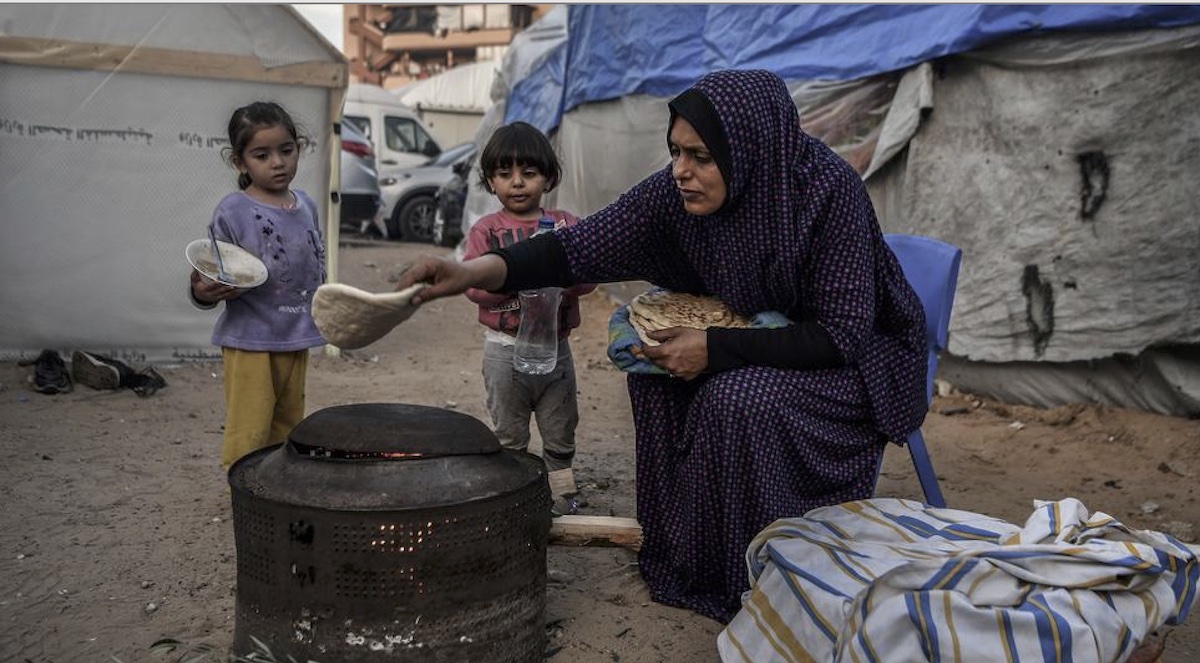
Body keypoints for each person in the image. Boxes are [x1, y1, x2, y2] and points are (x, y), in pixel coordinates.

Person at [394, 69, 928, 623]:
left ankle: (762, 571)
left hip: (856, 361)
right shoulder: (671, 198)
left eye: (700, 156)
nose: (681, 171)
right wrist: (469, 271)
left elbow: (842, 333)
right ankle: (690, 558)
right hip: (756, 337)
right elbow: (576, 247)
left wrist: (714, 350)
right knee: (656, 375)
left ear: (745, 149)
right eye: (674, 151)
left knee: (735, 397)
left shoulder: (825, 192)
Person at [462, 121, 597, 514]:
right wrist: (513, 280)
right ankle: (514, 501)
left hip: (556, 350)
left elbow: (589, 274)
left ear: (549, 177)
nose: (517, 183)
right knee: (509, 435)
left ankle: (561, 498)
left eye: (529, 173)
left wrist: (559, 280)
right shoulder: (486, 232)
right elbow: (473, 287)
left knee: (560, 432)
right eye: (505, 174)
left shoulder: (564, 227)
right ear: (490, 181)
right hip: (504, 353)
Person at [188, 101, 327, 470]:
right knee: (249, 427)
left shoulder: (307, 205)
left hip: (296, 334)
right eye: (261, 155)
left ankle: (276, 487)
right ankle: (244, 489)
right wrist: (202, 292)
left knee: (287, 423)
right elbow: (209, 272)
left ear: (299, 147)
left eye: (286, 150)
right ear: (240, 162)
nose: (278, 162)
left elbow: (314, 263)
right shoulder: (232, 210)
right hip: (250, 339)